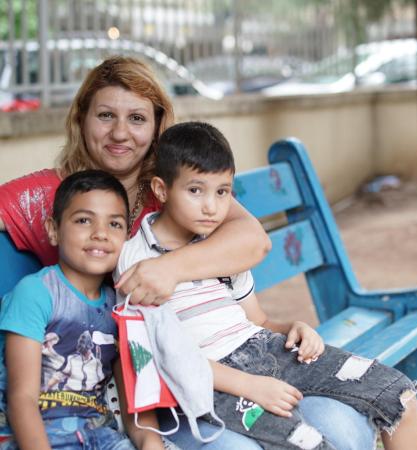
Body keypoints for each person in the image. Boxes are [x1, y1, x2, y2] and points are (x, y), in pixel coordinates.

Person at [0, 56, 375, 449]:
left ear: (158, 125)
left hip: (220, 364)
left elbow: (254, 240)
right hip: (141, 390)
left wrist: (168, 268)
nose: (120, 133)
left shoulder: (178, 192)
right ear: (81, 118)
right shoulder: (52, 194)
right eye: (106, 115)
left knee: (344, 426)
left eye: (138, 119)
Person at [115, 121, 417, 450]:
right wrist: (250, 386)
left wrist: (295, 327)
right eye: (196, 190)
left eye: (222, 192)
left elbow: (258, 322)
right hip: (213, 381)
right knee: (305, 443)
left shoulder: (220, 245)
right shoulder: (137, 261)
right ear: (162, 190)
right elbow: (166, 358)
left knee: (398, 395)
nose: (211, 206)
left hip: (265, 349)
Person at [0, 170, 174, 450]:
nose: (100, 234)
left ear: (126, 237)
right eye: (83, 220)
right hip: (40, 438)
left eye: (114, 224)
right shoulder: (36, 293)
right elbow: (22, 398)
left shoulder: (120, 306)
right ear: (53, 230)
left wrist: (150, 444)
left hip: (100, 436)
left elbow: (135, 403)